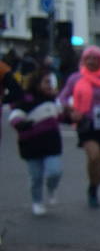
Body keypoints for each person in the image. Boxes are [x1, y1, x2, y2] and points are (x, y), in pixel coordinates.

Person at [58, 45, 100, 210]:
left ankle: (94, 188)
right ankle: (92, 186)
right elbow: (62, 98)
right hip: (87, 123)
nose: (91, 61)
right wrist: (72, 109)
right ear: (83, 60)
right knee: (94, 156)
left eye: (95, 58)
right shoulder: (76, 78)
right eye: (88, 58)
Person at [8, 68, 64, 215]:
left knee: (55, 171)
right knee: (36, 177)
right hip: (31, 144)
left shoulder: (53, 100)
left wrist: (76, 117)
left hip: (52, 144)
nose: (50, 86)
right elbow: (15, 115)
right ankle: (37, 202)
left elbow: (62, 116)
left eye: (51, 82)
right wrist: (20, 123)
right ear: (37, 83)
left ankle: (51, 188)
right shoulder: (26, 99)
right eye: (47, 82)